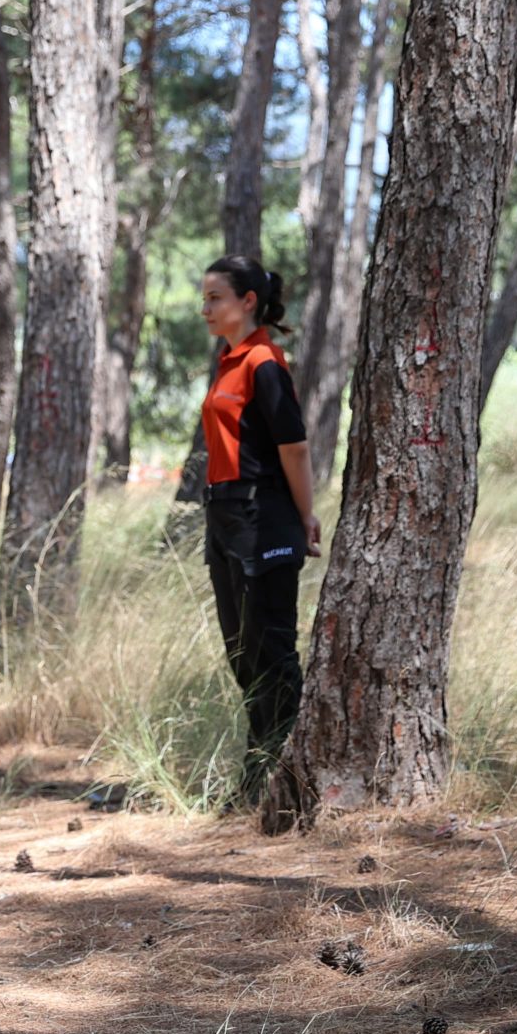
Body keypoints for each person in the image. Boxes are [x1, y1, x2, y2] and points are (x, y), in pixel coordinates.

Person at [197, 258, 319, 802]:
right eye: (204, 298)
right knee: (243, 656)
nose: (207, 308)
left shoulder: (264, 362)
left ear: (248, 302)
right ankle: (257, 776)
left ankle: (281, 781)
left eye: (216, 297)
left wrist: (306, 515)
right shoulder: (228, 361)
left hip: (262, 518)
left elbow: (293, 446)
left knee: (273, 651)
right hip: (223, 519)